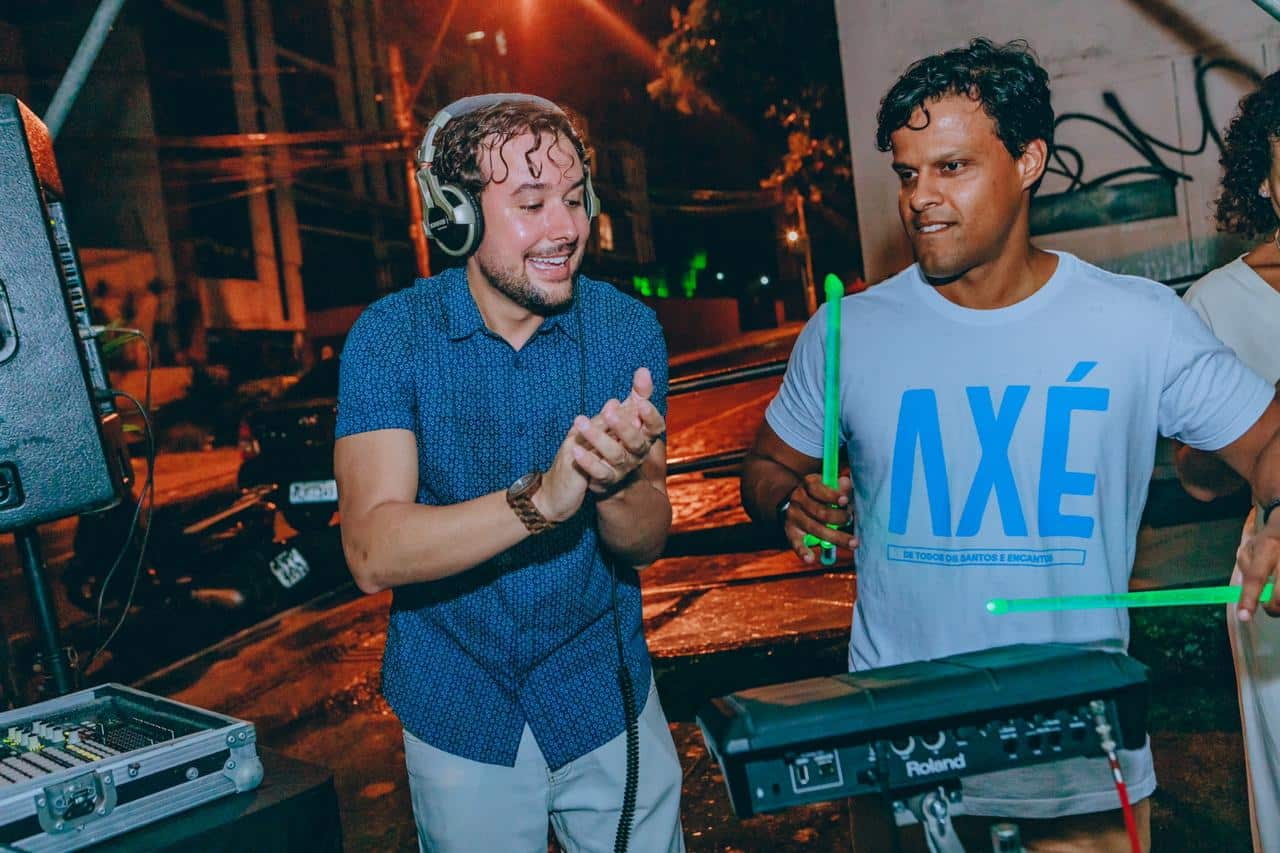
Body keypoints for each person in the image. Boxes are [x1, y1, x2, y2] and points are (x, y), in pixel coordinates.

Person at [741, 38, 1280, 851]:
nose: (921, 198)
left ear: (1029, 161)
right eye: (908, 174)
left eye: (951, 167)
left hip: (1078, 771)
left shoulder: (1135, 322)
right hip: (899, 766)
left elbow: (1271, 442)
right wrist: (791, 502)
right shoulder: (848, 329)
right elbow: (763, 469)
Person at [333, 94, 684, 852]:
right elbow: (370, 549)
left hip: (604, 692)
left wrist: (618, 481)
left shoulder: (626, 328)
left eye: (574, 199)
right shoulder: (389, 338)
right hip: (458, 704)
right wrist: (542, 502)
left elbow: (646, 540)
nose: (566, 228)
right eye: (531, 204)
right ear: (454, 217)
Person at [1177, 69, 1280, 853]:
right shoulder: (1215, 303)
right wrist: (1254, 427)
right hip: (1272, 578)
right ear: (1266, 180)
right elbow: (1196, 479)